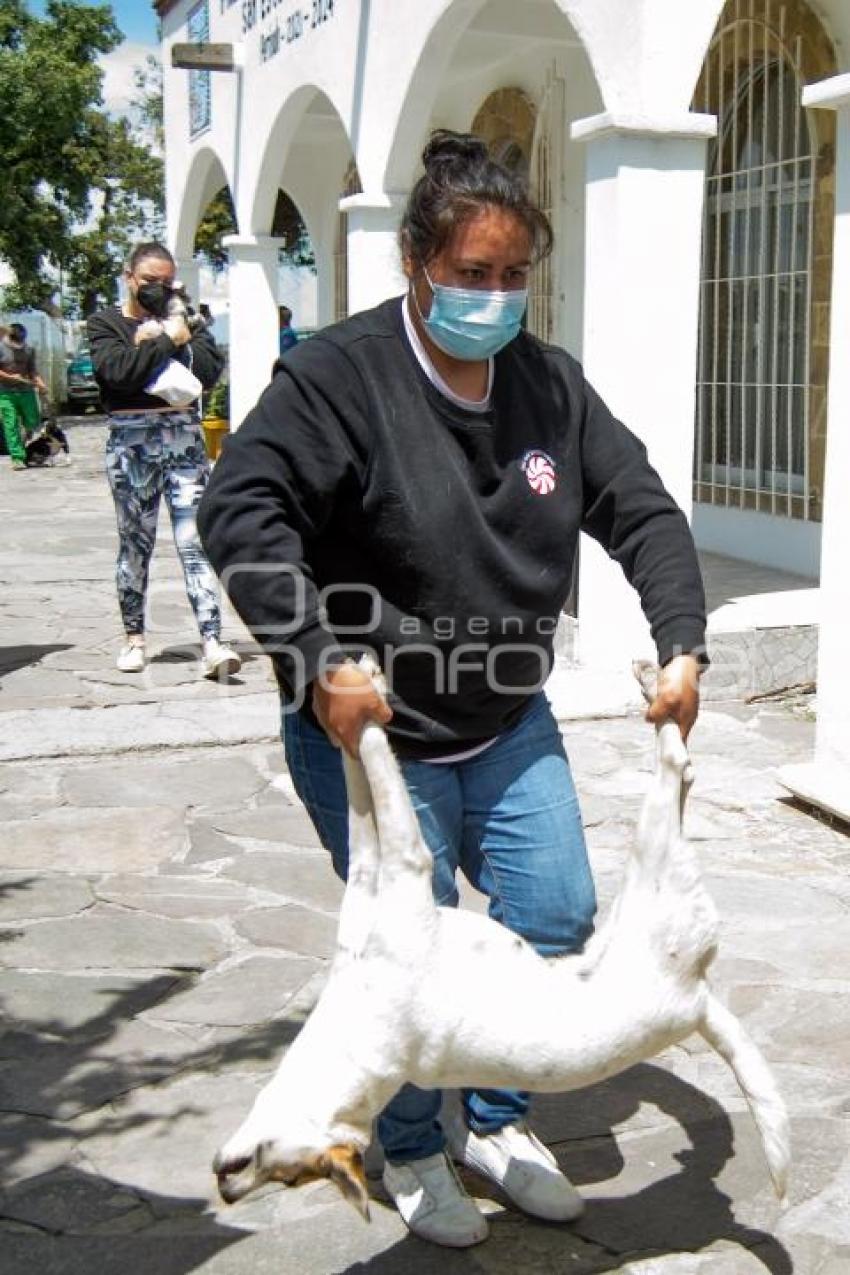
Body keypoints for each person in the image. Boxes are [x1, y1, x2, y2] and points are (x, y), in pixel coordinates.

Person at [197, 131, 706, 1248]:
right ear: (417, 266)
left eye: (511, 274)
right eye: (469, 274)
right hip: (374, 735)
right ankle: (417, 1147)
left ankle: (495, 1123)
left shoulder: (548, 388)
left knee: (558, 911)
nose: (492, 294)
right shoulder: (340, 377)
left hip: (503, 715)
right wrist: (316, 653)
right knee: (409, 956)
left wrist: (683, 640)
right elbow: (241, 509)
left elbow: (643, 509)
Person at [87, 241, 242, 679]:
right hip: (131, 444)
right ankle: (134, 638)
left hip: (184, 440)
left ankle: (212, 639)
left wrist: (173, 335)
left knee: (195, 542)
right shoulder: (106, 324)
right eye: (149, 281)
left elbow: (210, 372)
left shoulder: (185, 317)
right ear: (129, 277)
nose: (158, 288)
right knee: (135, 544)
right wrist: (165, 344)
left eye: (166, 281)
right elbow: (117, 373)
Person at [0, 322, 46, 469]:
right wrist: (10, 377)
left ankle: (24, 441)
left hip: (26, 391)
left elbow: (33, 370)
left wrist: (40, 383)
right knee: (10, 423)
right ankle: (17, 457)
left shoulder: (29, 349)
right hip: (6, 393)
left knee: (32, 421)